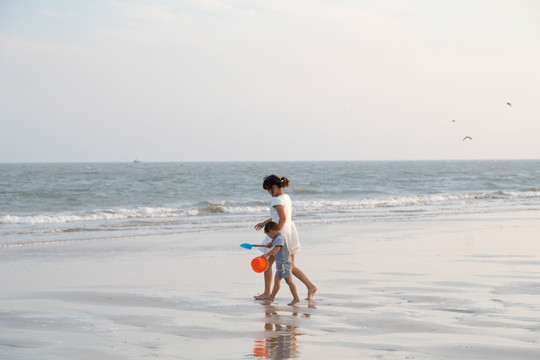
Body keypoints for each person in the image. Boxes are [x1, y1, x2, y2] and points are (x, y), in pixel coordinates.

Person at [254, 175, 317, 301]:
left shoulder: (277, 201)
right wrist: (264, 223)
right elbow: (279, 217)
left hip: (279, 232)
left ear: (274, 187)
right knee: (290, 265)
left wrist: (275, 238)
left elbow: (282, 218)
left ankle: (267, 293)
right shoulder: (285, 197)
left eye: (268, 190)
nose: (268, 193)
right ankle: (310, 286)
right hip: (289, 231)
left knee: (266, 262)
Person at [262, 222, 300, 306]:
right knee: (277, 280)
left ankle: (296, 298)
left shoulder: (280, 238)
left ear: (272, 232)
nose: (269, 237)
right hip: (280, 264)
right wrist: (271, 243)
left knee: (289, 281)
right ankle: (272, 296)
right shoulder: (277, 237)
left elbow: (277, 249)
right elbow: (276, 244)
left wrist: (267, 255)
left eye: (269, 235)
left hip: (284, 264)